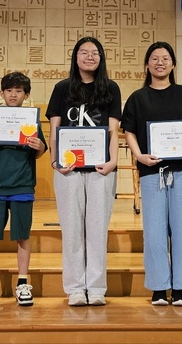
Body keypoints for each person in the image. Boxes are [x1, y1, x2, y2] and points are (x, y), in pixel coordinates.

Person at [121, 41, 182, 307]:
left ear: (173, 64)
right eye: (155, 58)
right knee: (154, 231)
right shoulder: (138, 97)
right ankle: (159, 287)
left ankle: (180, 287)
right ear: (147, 64)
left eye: (165, 58)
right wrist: (139, 156)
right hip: (151, 171)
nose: (160, 63)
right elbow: (129, 131)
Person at [46, 37, 121, 306]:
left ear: (101, 58)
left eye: (95, 52)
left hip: (102, 168)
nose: (90, 56)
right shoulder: (62, 88)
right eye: (84, 52)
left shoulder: (111, 87)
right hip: (68, 169)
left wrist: (113, 162)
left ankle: (97, 287)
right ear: (75, 57)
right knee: (72, 229)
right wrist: (55, 162)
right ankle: (75, 288)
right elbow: (54, 129)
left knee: (98, 229)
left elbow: (113, 131)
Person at [0, 72, 48, 308]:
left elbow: (39, 152)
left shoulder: (31, 120)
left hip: (23, 183)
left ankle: (23, 283)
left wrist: (39, 146)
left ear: (26, 95)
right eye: (9, 90)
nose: (13, 95)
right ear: (2, 93)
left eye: (18, 91)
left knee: (22, 235)